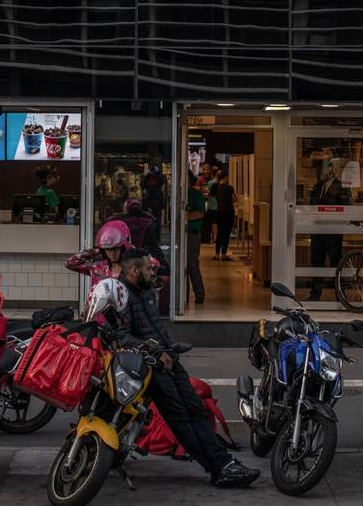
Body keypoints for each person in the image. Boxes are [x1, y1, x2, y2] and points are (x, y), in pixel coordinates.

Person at [116, 248, 259, 487]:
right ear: (133, 270)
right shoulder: (121, 295)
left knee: (197, 410)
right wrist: (157, 352)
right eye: (148, 268)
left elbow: (156, 328)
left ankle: (223, 463)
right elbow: (122, 336)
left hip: (168, 360)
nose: (153, 272)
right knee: (180, 418)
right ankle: (218, 467)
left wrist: (170, 348)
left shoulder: (146, 290)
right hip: (150, 366)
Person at [308, 155, 349, 301]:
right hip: (317, 231)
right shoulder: (317, 186)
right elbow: (311, 204)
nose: (321, 173)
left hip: (333, 231)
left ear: (331, 170)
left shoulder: (340, 186)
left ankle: (339, 294)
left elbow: (346, 206)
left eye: (323, 169)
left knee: (335, 262)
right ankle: (315, 293)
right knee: (317, 262)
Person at [66, 220, 131, 289]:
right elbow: (70, 263)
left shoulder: (131, 270)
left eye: (116, 249)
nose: (112, 253)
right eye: (108, 250)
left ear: (123, 249)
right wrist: (95, 251)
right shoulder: (99, 268)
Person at [185, 173, 207, 304]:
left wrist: (184, 217)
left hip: (192, 234)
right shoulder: (178, 193)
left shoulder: (196, 194)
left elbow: (200, 212)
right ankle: (183, 295)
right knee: (181, 265)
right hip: (181, 234)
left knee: (192, 264)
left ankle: (199, 293)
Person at [213, 171, 237, 261]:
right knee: (226, 233)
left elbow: (215, 198)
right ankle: (223, 254)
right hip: (229, 212)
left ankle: (216, 254)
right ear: (225, 177)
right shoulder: (230, 188)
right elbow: (235, 199)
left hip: (219, 211)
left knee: (219, 233)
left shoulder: (216, 187)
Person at [141, 164, 166, 229]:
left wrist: (155, 173)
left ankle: (155, 234)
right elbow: (142, 184)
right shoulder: (149, 177)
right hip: (150, 200)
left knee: (156, 220)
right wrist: (146, 175)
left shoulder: (159, 177)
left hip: (155, 200)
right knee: (149, 218)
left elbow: (162, 181)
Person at [202, 162, 220, 245]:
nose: (206, 171)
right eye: (204, 169)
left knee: (213, 222)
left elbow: (207, 194)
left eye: (207, 169)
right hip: (215, 205)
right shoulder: (220, 182)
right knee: (214, 222)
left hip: (211, 205)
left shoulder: (211, 182)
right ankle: (214, 238)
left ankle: (214, 238)